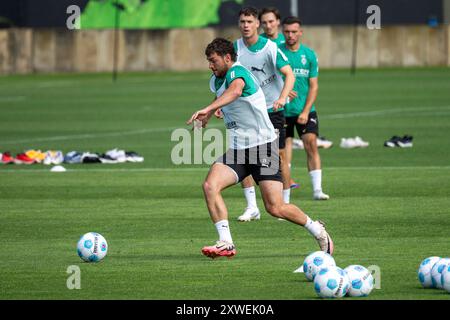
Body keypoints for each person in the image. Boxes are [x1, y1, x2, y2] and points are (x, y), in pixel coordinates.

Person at [187, 37, 334, 259]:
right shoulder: (215, 80)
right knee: (209, 185)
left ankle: (318, 230)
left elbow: (235, 91)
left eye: (213, 61)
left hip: (262, 148)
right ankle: (226, 243)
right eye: (208, 61)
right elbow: (224, 95)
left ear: (228, 58)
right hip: (238, 150)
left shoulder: (239, 72)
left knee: (275, 208)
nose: (210, 65)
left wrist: (208, 108)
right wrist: (210, 113)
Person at [232, 7, 295, 222]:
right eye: (242, 22)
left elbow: (289, 74)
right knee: (244, 155)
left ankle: (284, 203)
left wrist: (282, 97)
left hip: (271, 110)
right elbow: (227, 80)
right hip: (247, 113)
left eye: (249, 21)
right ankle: (252, 207)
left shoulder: (270, 48)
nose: (246, 25)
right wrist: (220, 105)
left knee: (279, 157)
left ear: (257, 24)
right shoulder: (235, 49)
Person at [280, 16, 329, 200]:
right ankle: (286, 195)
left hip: (305, 110)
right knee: (283, 153)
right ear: (282, 32)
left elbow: (314, 86)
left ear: (300, 32)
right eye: (287, 32)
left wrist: (306, 111)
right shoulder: (277, 52)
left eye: (294, 32)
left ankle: (317, 190)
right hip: (281, 111)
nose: (290, 35)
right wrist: (282, 92)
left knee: (311, 144)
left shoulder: (309, 55)